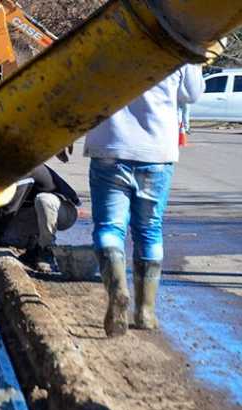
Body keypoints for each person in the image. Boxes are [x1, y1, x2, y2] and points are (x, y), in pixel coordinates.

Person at [85, 64, 204, 337]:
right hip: (156, 152)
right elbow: (192, 93)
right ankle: (145, 312)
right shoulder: (182, 44)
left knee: (109, 227)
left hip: (109, 146)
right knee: (149, 230)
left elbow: (83, 85)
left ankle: (117, 289)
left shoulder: (104, 40)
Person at [0, 164, 80, 271]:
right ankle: (33, 245)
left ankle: (46, 249)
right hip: (31, 213)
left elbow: (8, 210)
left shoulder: (22, 169)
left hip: (63, 212)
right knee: (6, 240)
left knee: (43, 200)